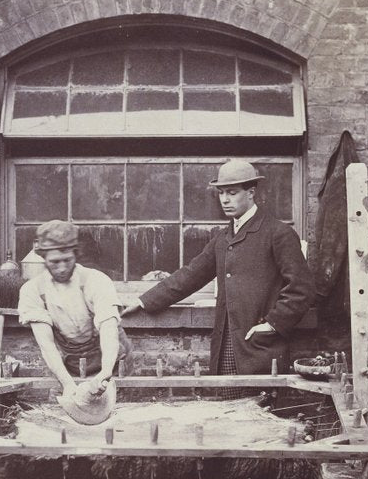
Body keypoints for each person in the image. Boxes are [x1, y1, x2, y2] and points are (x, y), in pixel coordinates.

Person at [123, 159, 316, 379]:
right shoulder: (223, 238)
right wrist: (143, 301)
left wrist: (272, 324)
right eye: (221, 193)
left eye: (232, 193)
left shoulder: (278, 233)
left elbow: (302, 289)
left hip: (260, 348)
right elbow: (191, 275)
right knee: (223, 400)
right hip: (225, 344)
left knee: (257, 402)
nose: (224, 199)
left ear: (251, 193)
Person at [18, 220, 131, 399]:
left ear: (76, 254)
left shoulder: (96, 280)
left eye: (67, 260)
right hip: (68, 366)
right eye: (55, 262)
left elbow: (109, 329)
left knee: (121, 411)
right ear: (43, 258)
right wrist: (67, 384)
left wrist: (106, 372)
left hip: (114, 363)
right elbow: (47, 345)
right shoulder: (33, 290)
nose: (62, 268)